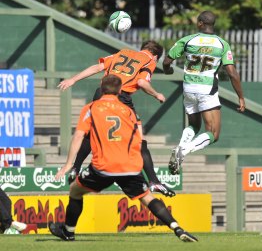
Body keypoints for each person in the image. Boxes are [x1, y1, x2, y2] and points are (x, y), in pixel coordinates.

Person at [49, 75, 197, 242]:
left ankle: (68, 232)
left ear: (101, 86)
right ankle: (177, 228)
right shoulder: (129, 112)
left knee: (75, 190)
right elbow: (139, 141)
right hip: (130, 166)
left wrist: (69, 164)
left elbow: (78, 137)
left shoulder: (91, 108)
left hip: (104, 167)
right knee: (147, 198)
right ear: (120, 90)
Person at [58, 40, 175, 197]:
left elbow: (98, 67)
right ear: (155, 56)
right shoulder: (149, 61)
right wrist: (156, 94)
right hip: (120, 97)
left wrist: (73, 79)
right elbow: (141, 82)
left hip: (101, 93)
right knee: (139, 141)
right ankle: (154, 181)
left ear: (142, 48)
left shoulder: (123, 52)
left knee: (92, 133)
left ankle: (75, 167)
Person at [162, 11, 246, 174]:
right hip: (207, 90)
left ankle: (180, 147)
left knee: (194, 125)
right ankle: (183, 152)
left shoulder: (187, 40)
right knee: (213, 133)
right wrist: (241, 97)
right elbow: (232, 73)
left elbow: (166, 62)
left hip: (188, 88)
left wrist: (168, 71)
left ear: (200, 23)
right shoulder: (222, 44)